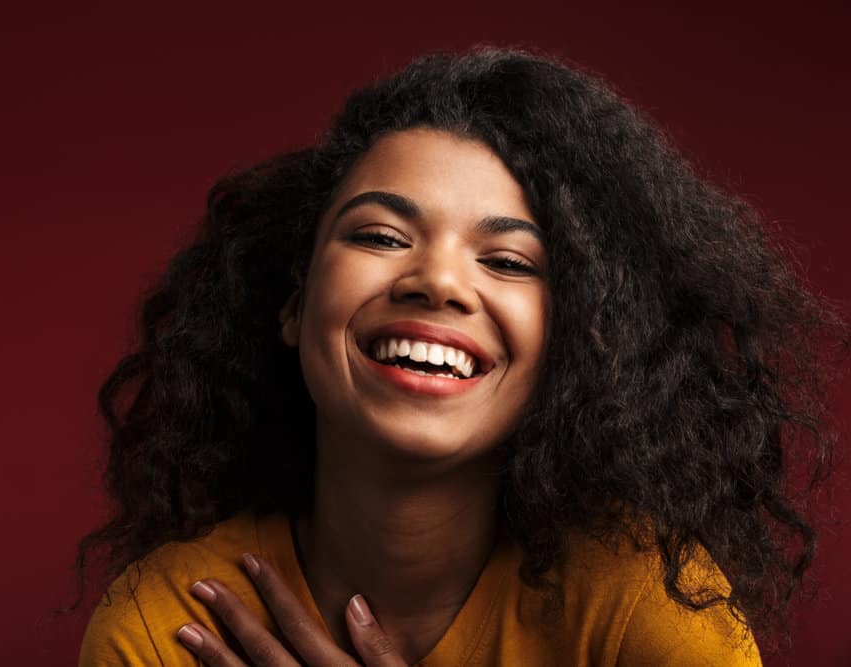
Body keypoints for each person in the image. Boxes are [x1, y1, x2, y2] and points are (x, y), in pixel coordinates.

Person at [74, 48, 846, 665]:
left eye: (509, 261)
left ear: (578, 342)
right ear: (292, 301)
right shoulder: (168, 626)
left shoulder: (643, 611)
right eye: (380, 236)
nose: (439, 280)